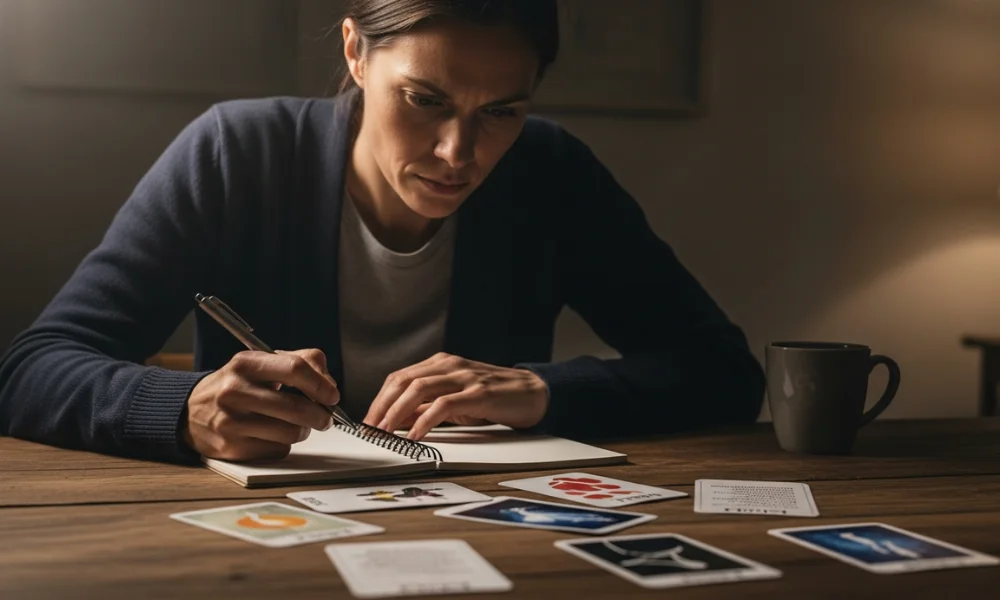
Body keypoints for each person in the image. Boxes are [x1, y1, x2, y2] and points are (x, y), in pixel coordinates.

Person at [0, 0, 764, 464]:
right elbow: (29, 372)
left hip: (494, 543)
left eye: (502, 111)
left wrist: (542, 390)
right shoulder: (237, 153)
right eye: (424, 99)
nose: (459, 155)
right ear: (354, 53)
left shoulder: (551, 172)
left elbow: (723, 372)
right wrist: (184, 408)